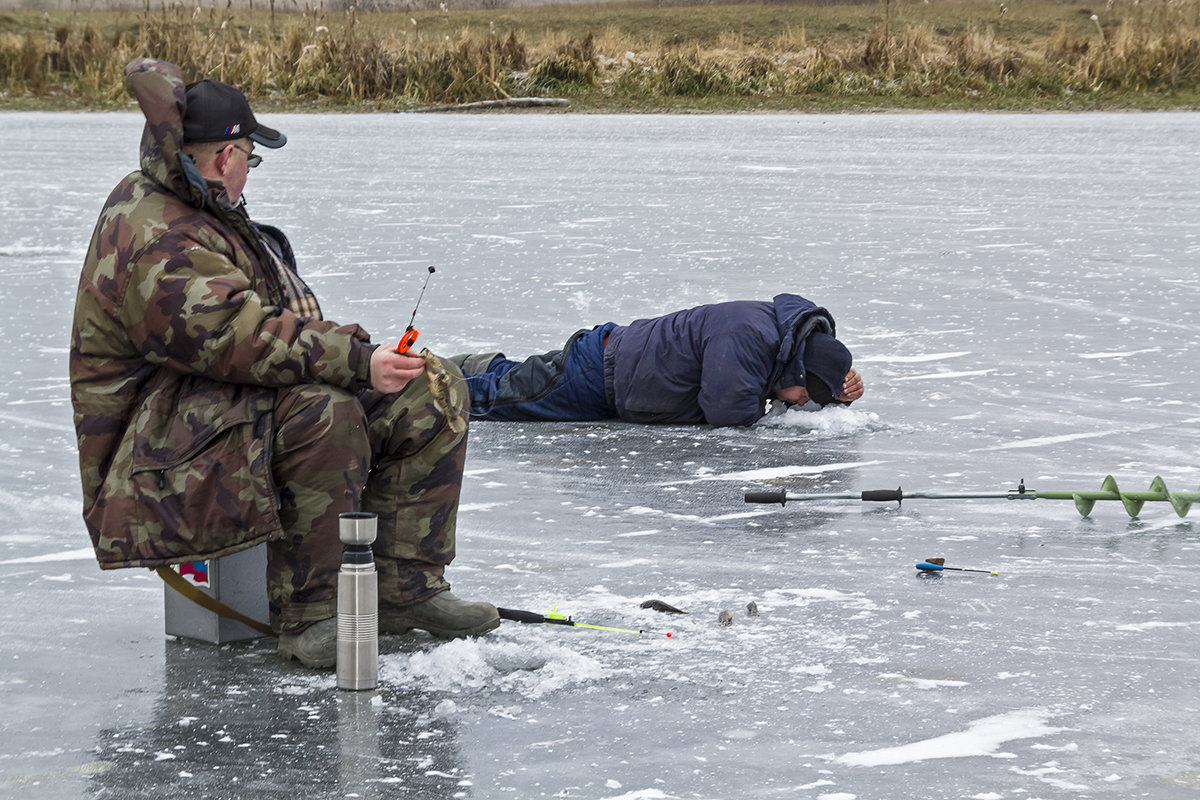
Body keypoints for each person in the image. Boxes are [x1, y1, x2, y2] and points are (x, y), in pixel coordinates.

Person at [70, 58, 499, 670]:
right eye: (251, 156)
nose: (250, 169)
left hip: (212, 414)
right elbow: (235, 336)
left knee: (430, 388)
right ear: (226, 157)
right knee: (323, 409)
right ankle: (315, 613)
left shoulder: (200, 203)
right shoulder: (155, 231)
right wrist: (354, 359)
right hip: (154, 454)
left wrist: (372, 362)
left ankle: (406, 590)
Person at [451, 293, 864, 427]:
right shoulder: (747, 338)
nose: (797, 403)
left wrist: (841, 393)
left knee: (523, 383)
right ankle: (422, 389)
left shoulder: (786, 345)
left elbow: (784, 387)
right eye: (803, 395)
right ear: (799, 371)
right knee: (495, 401)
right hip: (603, 375)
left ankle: (471, 365)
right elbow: (729, 410)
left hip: (617, 368)